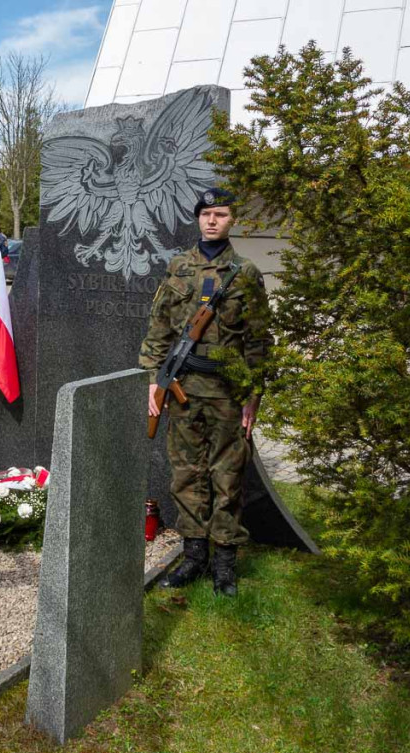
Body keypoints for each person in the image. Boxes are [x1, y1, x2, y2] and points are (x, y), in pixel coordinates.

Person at [139, 188, 273, 597]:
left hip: (227, 393)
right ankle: (194, 556)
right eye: (205, 214)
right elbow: (160, 325)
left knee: (228, 476)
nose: (212, 220)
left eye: (220, 214)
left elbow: (258, 338)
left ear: (232, 221)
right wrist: (153, 379)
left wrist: (253, 394)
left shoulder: (245, 273)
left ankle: (225, 563)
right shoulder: (178, 267)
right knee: (187, 473)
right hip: (182, 389)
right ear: (197, 219)